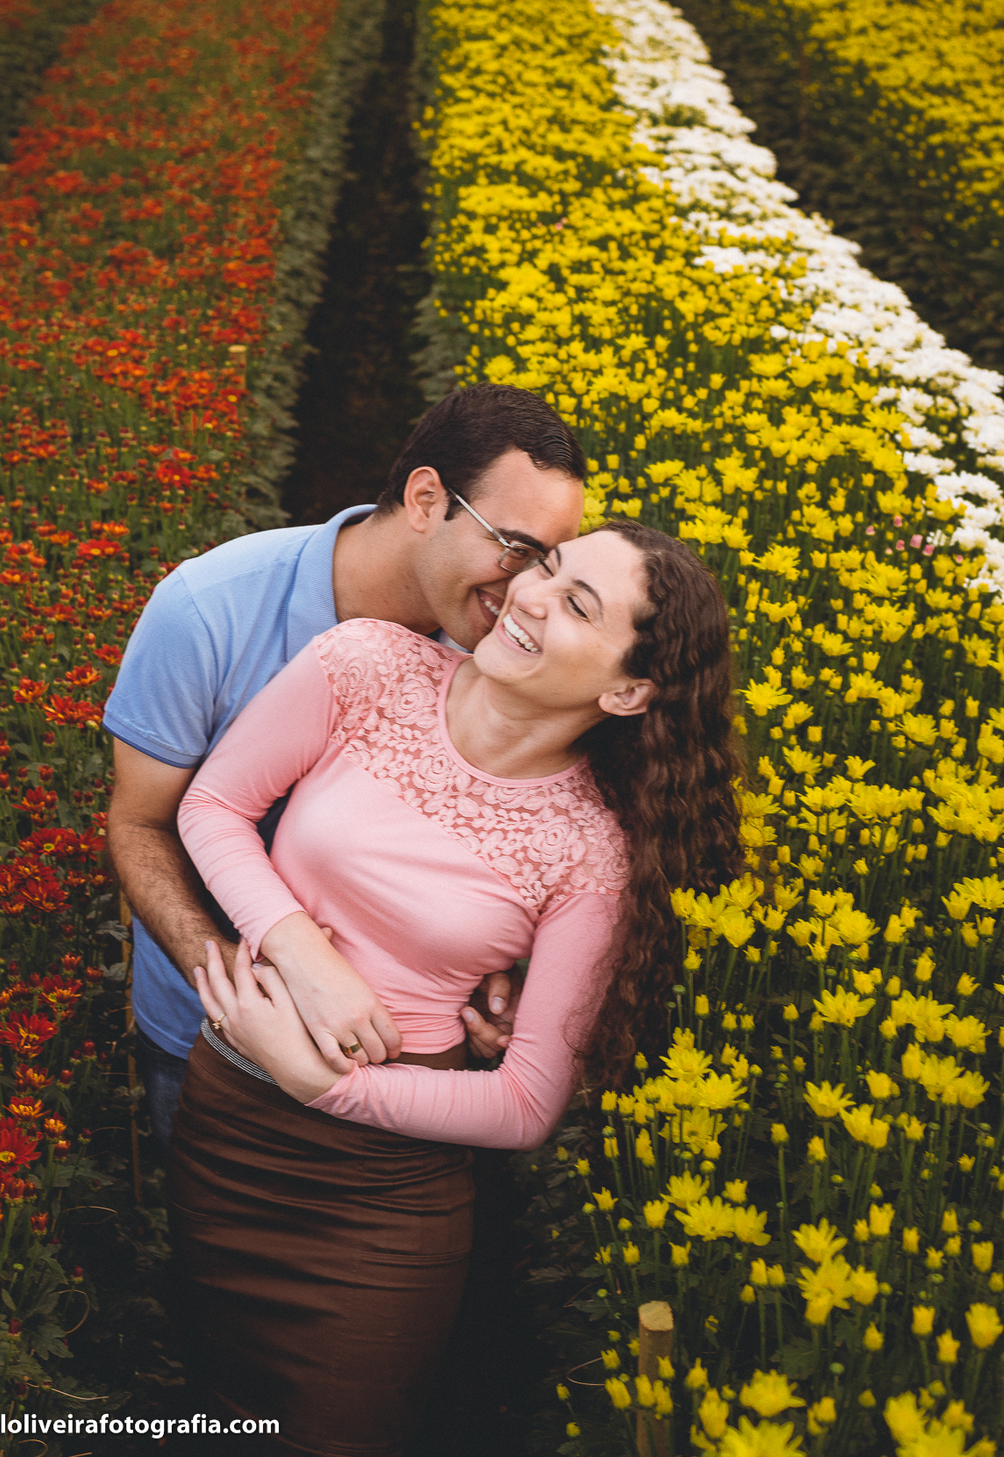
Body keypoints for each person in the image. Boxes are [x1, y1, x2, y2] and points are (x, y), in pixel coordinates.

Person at [168, 519, 744, 1456]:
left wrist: (331, 1087)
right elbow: (214, 806)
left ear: (628, 690)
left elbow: (525, 1105)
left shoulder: (591, 855)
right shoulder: (365, 664)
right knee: (217, 1412)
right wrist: (300, 950)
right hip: (229, 1123)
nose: (530, 597)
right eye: (546, 568)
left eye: (577, 605)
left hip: (380, 1195)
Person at [104, 383, 589, 1149]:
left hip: (399, 1065)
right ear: (426, 499)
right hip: (205, 1032)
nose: (528, 591)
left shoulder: (500, 655)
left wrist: (496, 961)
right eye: (516, 549)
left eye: (550, 565)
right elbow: (138, 826)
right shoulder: (208, 609)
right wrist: (245, 983)